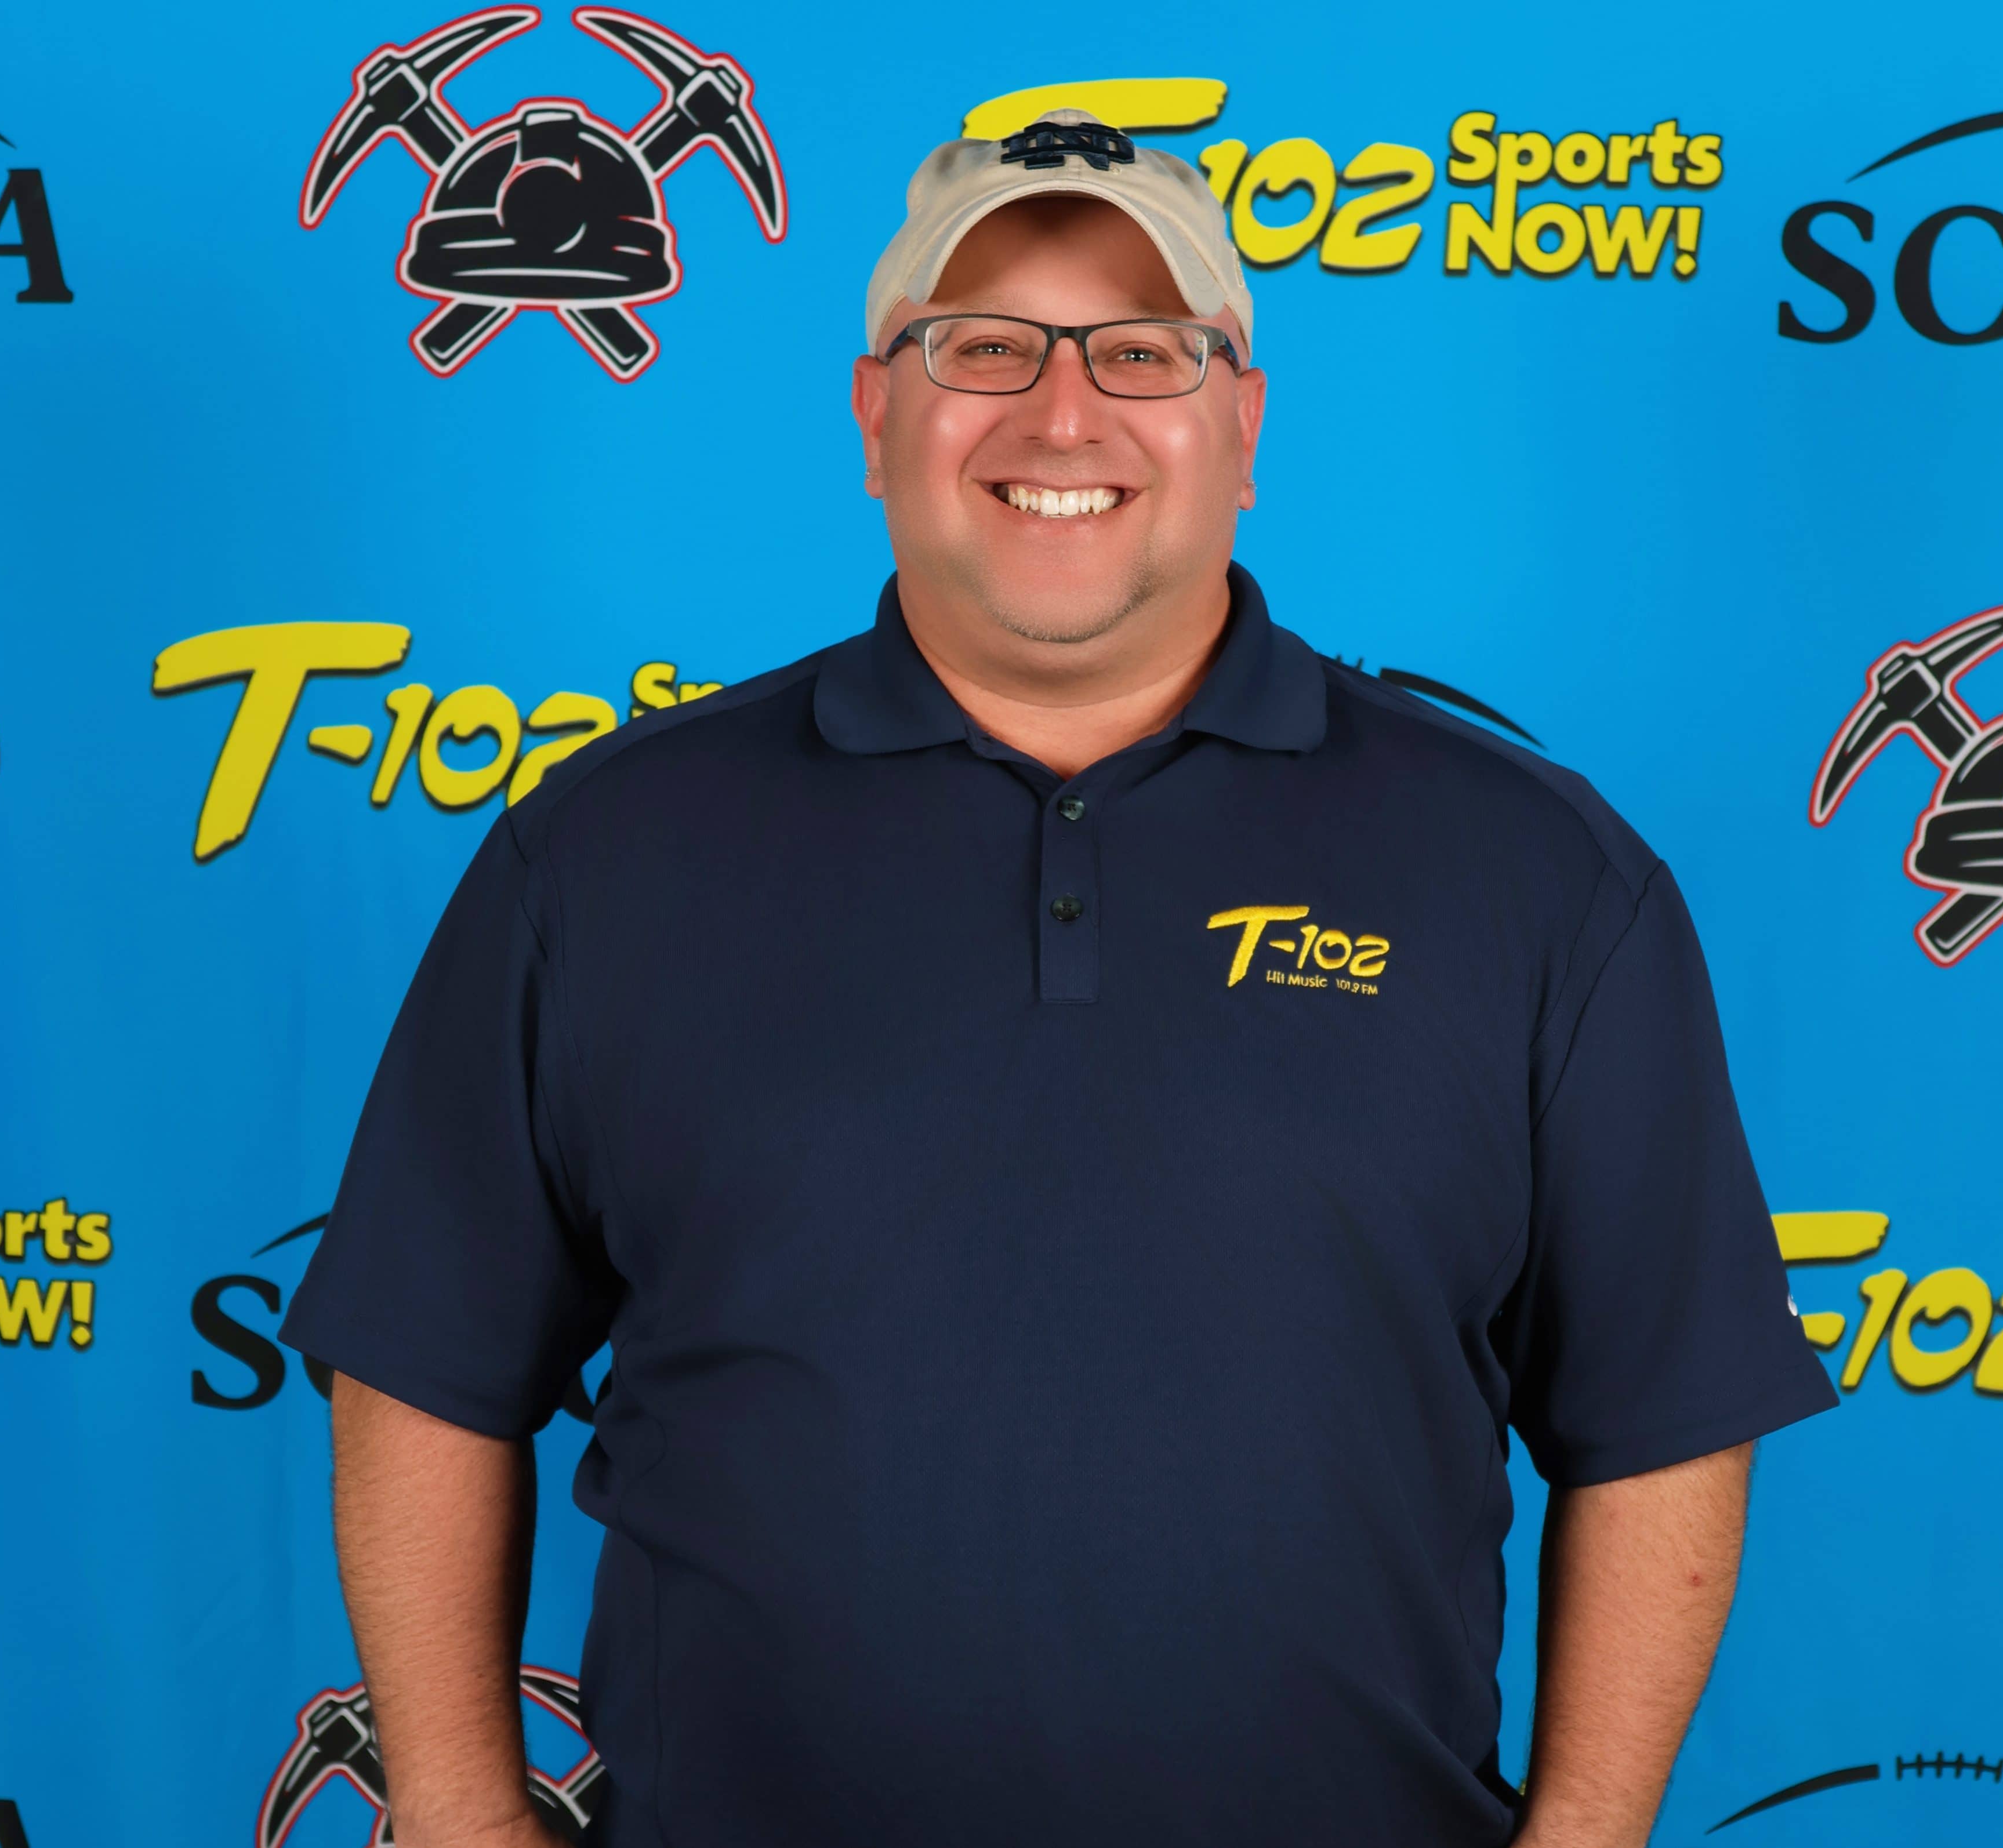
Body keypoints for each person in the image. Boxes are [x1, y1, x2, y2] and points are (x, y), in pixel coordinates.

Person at [283, 108, 1835, 1848]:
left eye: (1143, 353)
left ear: (1243, 426)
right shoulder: (602, 855)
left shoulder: (1538, 875)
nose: (1063, 414)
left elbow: (1663, 1416)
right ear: (877, 416)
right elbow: (421, 1362)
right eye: (982, 348)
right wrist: (462, 1816)